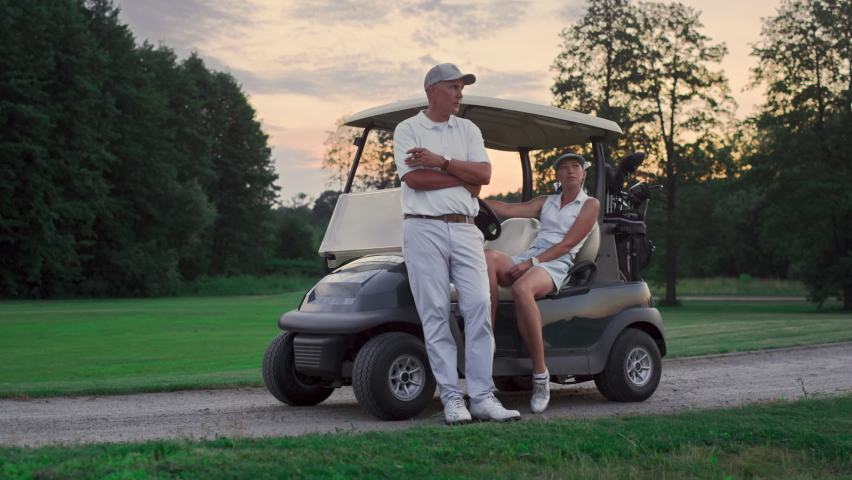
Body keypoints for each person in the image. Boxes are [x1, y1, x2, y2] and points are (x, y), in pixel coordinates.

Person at [393, 63, 521, 424]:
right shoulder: (407, 129)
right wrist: (458, 177)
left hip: (466, 230)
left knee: (479, 305)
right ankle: (452, 398)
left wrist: (441, 162)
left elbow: (482, 177)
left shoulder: (468, 128)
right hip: (423, 229)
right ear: (433, 90)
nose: (460, 94)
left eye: (462, 87)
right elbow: (415, 179)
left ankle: (481, 397)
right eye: (454, 87)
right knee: (434, 313)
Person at [483, 150, 600, 414]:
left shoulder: (589, 204)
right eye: (564, 167)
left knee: (522, 288)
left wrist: (531, 264)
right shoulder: (547, 201)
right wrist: (476, 200)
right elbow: (509, 209)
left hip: (557, 261)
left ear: (582, 174)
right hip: (532, 255)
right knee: (488, 257)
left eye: (575, 166)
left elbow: (569, 244)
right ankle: (486, 337)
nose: (570, 170)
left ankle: (540, 375)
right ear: (557, 175)